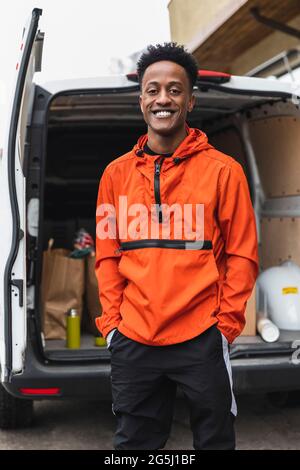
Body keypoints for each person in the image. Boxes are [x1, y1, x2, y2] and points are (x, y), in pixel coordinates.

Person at [95, 42, 258, 450]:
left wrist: (225, 327)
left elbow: (242, 254)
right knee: (134, 447)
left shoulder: (224, 171)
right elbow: (107, 255)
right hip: (133, 338)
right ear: (141, 100)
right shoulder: (114, 175)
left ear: (190, 101)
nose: (162, 98)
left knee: (215, 441)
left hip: (202, 335)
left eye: (174, 89)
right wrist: (113, 325)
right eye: (153, 90)